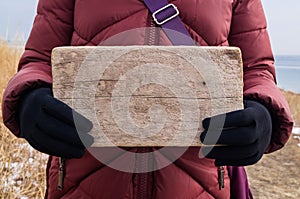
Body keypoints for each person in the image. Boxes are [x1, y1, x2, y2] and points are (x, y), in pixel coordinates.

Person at [2, 0, 293, 198]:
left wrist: (263, 111)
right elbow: (39, 60)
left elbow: (257, 70)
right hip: (83, 183)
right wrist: (30, 97)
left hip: (201, 185)